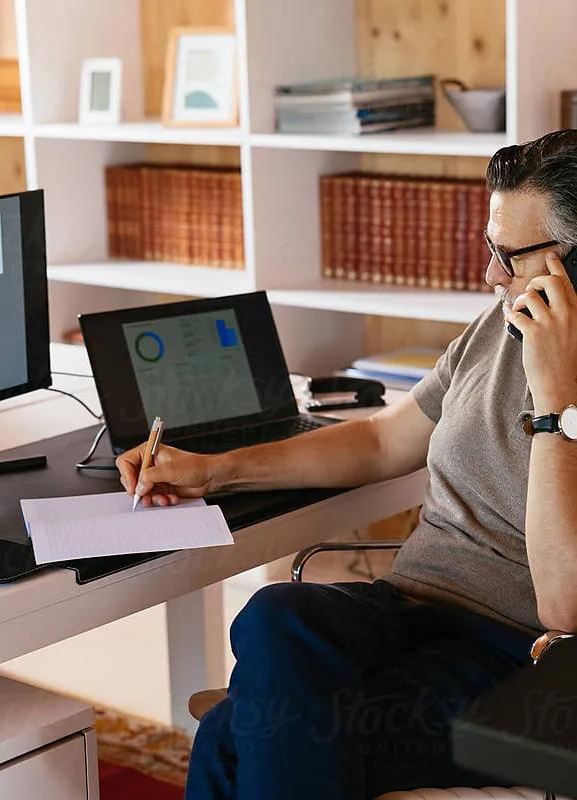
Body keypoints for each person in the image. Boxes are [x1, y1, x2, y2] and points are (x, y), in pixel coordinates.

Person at [115, 129, 577, 799]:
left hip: (518, 656)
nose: (491, 276)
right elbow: (382, 441)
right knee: (275, 615)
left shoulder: (551, 360)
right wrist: (215, 470)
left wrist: (556, 403)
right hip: (405, 609)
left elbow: (564, 606)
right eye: (489, 248)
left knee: (230, 735)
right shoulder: (497, 327)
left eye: (508, 255)